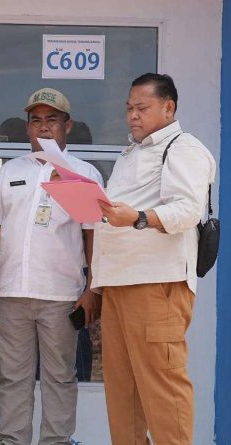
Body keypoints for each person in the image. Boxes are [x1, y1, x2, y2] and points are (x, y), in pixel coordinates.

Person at [0, 88, 103, 445]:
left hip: (61, 296)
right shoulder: (9, 172)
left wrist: (92, 288)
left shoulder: (83, 173)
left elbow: (93, 233)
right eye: (36, 121)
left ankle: (56, 441)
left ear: (67, 125)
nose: (43, 127)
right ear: (28, 127)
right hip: (12, 293)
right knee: (12, 378)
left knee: (59, 378)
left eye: (52, 120)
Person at [95, 73, 216, 445]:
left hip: (155, 284)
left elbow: (187, 210)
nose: (133, 115)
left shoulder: (182, 147)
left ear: (168, 108)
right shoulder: (130, 153)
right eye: (129, 108)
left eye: (142, 108)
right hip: (118, 282)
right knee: (123, 392)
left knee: (163, 387)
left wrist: (138, 217)